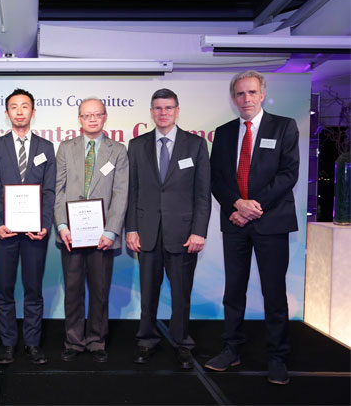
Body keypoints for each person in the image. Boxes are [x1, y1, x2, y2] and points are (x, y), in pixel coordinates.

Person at [205, 71, 299, 385]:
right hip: (235, 224)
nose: (246, 99)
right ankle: (231, 348)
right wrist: (237, 205)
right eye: (240, 94)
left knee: (274, 293)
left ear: (262, 94)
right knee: (233, 290)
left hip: (271, 222)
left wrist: (252, 206)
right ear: (234, 98)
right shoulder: (224, 132)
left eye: (252, 93)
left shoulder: (284, 126)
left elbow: (288, 174)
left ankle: (277, 357)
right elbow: (216, 178)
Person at [125, 88, 211, 370]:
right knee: (148, 292)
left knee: (181, 293)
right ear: (151, 112)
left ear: (177, 110)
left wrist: (199, 231)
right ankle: (146, 339)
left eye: (168, 108)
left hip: (184, 234)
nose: (163, 113)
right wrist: (132, 228)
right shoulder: (137, 145)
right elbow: (132, 191)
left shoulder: (196, 145)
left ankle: (183, 342)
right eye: (158, 108)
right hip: (147, 232)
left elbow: (202, 193)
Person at [54, 98, 128, 363]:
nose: (92, 119)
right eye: (87, 115)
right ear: (80, 119)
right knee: (73, 290)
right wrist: (61, 225)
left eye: (97, 114)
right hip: (72, 234)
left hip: (101, 236)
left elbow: (121, 193)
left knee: (99, 290)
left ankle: (96, 340)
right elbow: (58, 189)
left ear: (105, 117)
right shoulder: (65, 148)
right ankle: (73, 341)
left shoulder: (117, 150)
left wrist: (111, 231)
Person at [0, 88, 56, 365]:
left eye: (24, 106)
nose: (19, 111)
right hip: (4, 233)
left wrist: (44, 224)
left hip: (34, 232)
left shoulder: (46, 147)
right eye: (13, 107)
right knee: (4, 289)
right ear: (6, 114)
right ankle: (7, 344)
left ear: (33, 112)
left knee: (33, 289)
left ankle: (32, 343)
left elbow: (49, 191)